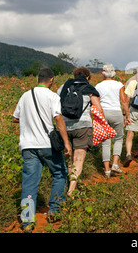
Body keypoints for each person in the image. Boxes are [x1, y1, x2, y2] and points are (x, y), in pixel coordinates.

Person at [12, 68, 72, 233]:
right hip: (47, 144)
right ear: (51, 80)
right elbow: (58, 118)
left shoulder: (25, 96)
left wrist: (29, 120)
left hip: (28, 146)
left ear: (38, 79)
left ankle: (27, 221)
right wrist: (66, 143)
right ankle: (54, 211)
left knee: (30, 182)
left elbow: (15, 118)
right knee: (60, 174)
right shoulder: (52, 96)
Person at [57, 67, 103, 197]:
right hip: (83, 127)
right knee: (78, 159)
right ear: (87, 77)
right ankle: (71, 191)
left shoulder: (63, 87)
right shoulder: (90, 89)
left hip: (65, 127)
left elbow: (57, 105)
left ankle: (73, 186)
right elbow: (98, 109)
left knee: (71, 159)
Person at [95, 63, 129, 178]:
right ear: (113, 73)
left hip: (104, 113)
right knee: (118, 138)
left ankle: (106, 170)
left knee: (105, 141)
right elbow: (123, 101)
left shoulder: (98, 86)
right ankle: (115, 164)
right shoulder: (119, 84)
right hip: (116, 112)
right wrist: (127, 115)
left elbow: (96, 101)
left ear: (103, 73)